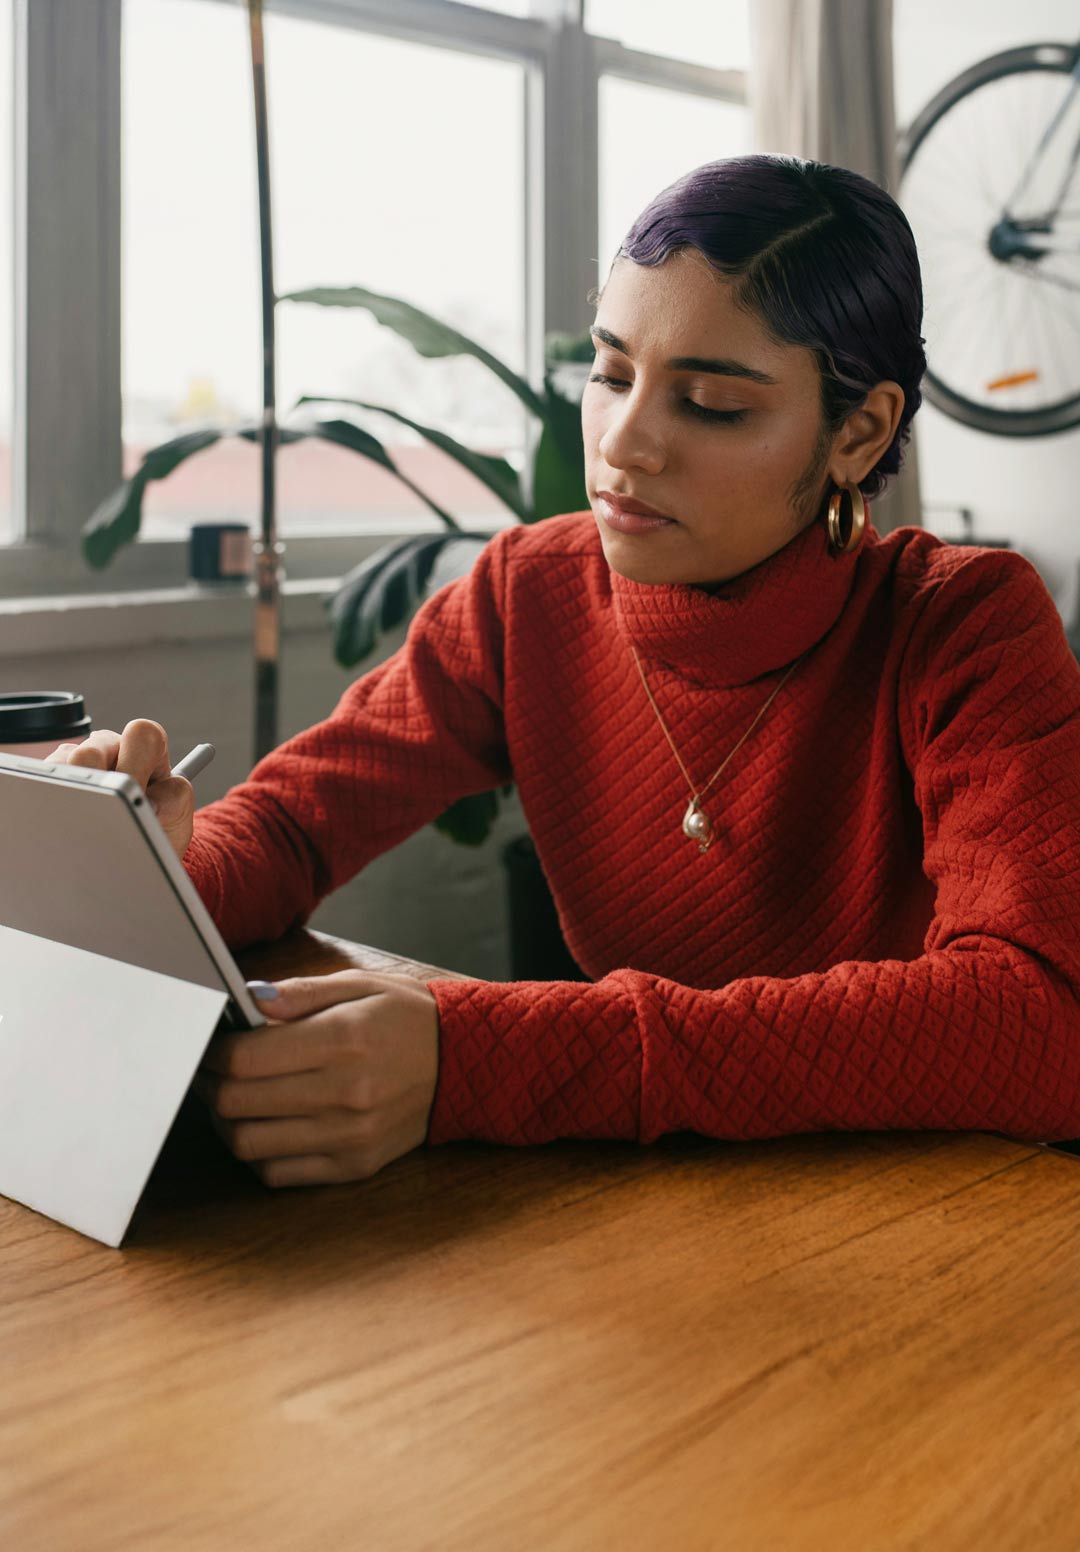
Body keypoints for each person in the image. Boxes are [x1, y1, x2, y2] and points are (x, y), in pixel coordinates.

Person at [49, 153, 1080, 1186]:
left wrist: (483, 1055)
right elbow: (291, 821)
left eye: (712, 404)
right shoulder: (526, 595)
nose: (623, 446)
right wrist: (151, 872)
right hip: (657, 1209)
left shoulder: (966, 625)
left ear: (858, 432)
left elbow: (1039, 1019)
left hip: (943, 1221)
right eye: (610, 373)